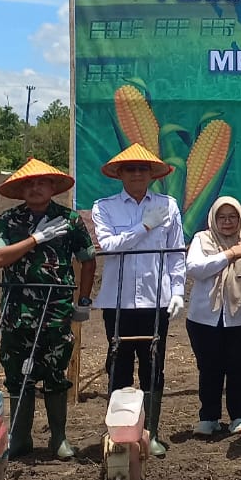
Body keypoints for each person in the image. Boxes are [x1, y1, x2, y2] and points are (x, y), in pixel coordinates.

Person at [0, 158, 95, 459]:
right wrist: (35, 239)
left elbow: (88, 259)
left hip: (56, 311)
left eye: (42, 183)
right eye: (29, 184)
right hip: (17, 312)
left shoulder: (69, 220)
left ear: (52, 187)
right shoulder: (8, 221)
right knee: (17, 374)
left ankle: (58, 438)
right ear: (21, 189)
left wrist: (83, 300)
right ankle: (20, 438)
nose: (35, 188)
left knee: (56, 373)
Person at [91, 143, 185, 457]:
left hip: (155, 300)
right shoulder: (104, 207)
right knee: (118, 365)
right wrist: (144, 226)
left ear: (151, 174)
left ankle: (150, 433)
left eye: (142, 169)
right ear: (119, 174)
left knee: (153, 366)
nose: (136, 174)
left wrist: (178, 291)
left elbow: (175, 255)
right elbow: (109, 245)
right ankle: (120, 434)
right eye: (129, 169)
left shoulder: (168, 205)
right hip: (117, 302)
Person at [184, 196, 241, 436]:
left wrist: (237, 251)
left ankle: (238, 415)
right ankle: (209, 416)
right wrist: (229, 255)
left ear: (240, 218)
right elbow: (195, 268)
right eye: (221, 217)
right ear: (213, 219)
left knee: (240, 368)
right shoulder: (202, 239)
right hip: (205, 317)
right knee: (209, 367)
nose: (227, 222)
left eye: (232, 216)